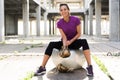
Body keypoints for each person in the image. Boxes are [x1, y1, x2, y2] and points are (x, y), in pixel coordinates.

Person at [34, 3, 94, 77]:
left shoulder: (76, 20)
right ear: (60, 12)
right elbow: (64, 36)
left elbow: (79, 34)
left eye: (65, 9)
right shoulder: (59, 23)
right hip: (65, 42)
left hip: (74, 42)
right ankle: (42, 67)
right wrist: (65, 46)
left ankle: (90, 66)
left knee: (84, 41)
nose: (63, 11)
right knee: (51, 44)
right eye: (61, 10)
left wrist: (70, 41)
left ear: (68, 10)